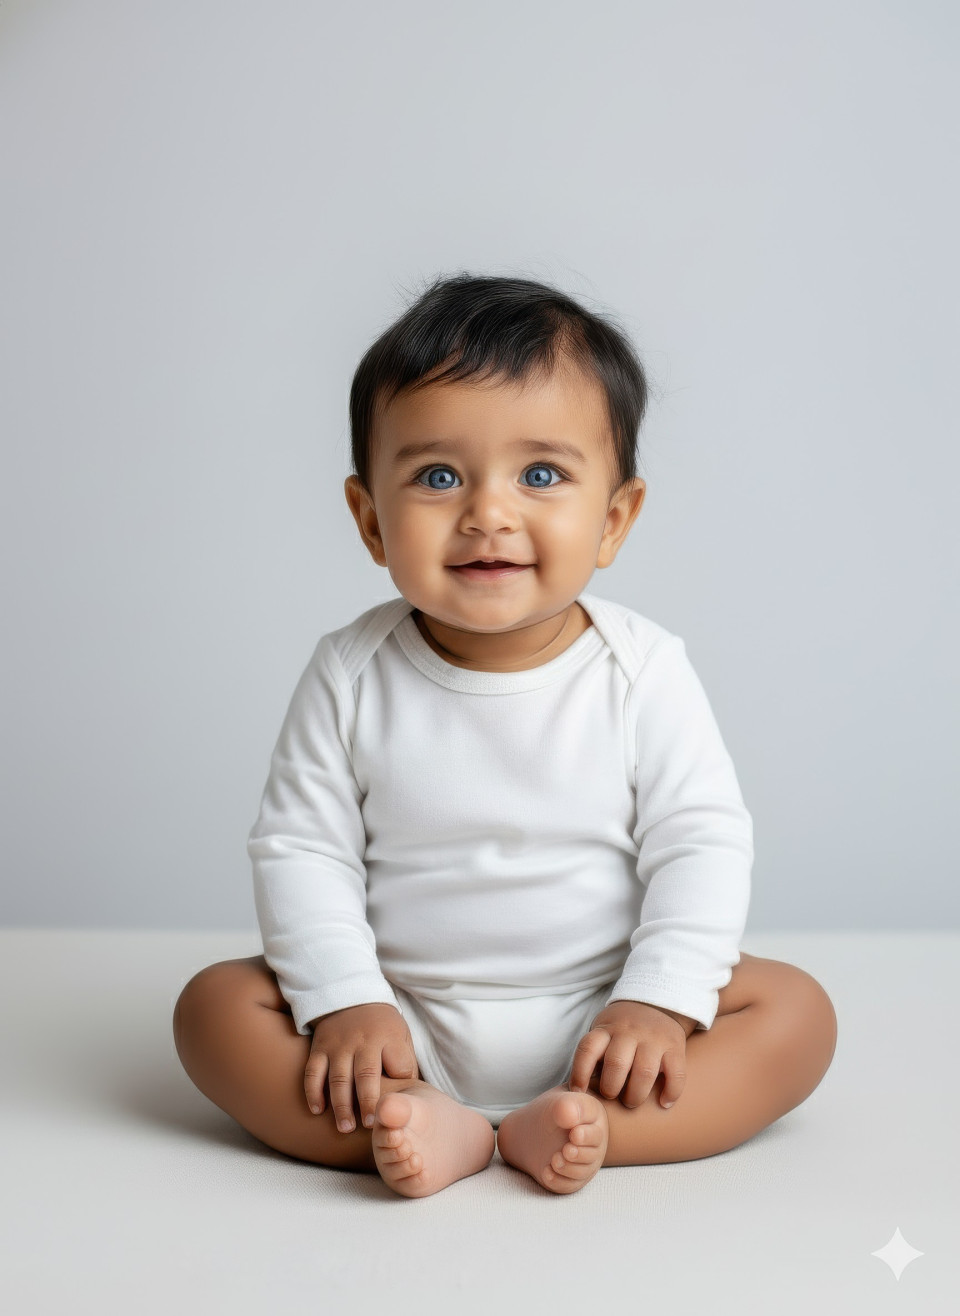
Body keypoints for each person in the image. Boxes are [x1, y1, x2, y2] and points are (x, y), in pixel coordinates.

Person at [173, 273, 837, 1198]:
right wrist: (348, 1002)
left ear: (613, 519)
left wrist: (657, 999)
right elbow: (301, 849)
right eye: (438, 476)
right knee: (213, 1010)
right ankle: (420, 1123)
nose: (490, 512)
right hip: (398, 1020)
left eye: (541, 475)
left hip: (603, 1020)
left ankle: (584, 1127)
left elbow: (701, 842)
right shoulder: (349, 673)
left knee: (797, 1013)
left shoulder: (641, 670)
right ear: (370, 520)